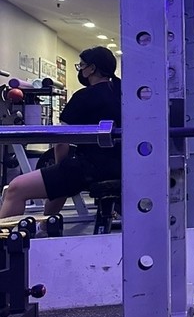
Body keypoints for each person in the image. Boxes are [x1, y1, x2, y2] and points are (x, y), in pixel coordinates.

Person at [0, 47, 121, 224]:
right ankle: (46, 228)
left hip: (92, 168)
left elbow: (61, 142)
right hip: (120, 166)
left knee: (15, 189)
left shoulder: (84, 96)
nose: (81, 69)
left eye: (82, 65)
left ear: (92, 69)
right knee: (61, 178)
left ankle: (4, 238)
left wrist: (60, 167)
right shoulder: (122, 94)